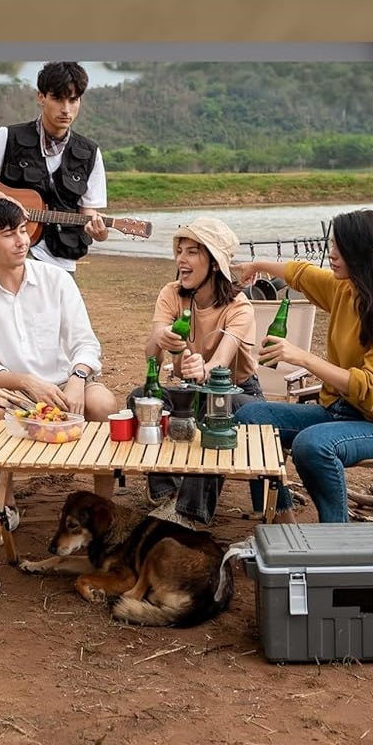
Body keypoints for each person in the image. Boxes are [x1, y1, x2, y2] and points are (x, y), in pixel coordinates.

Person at [233, 209, 373, 524]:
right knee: (251, 418)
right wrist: (257, 266)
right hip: (336, 411)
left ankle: (337, 532)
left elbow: (372, 387)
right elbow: (302, 274)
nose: (332, 254)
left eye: (340, 247)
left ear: (363, 253)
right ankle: (280, 520)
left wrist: (304, 358)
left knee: (312, 445)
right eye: (332, 244)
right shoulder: (347, 289)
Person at [0, 197, 119, 544]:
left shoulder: (56, 279)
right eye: (9, 234)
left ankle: (103, 508)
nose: (22, 241)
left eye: (23, 230)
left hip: (68, 384)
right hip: (15, 393)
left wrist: (78, 378)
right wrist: (26, 382)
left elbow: (85, 343)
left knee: (103, 402)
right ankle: (4, 507)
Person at [140, 217, 265, 527]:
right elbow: (151, 356)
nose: (181, 259)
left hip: (237, 392)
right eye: (179, 250)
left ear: (214, 263)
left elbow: (219, 365)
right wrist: (162, 339)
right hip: (190, 388)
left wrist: (202, 368)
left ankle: (189, 513)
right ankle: (168, 493)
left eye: (192, 252)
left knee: (216, 411)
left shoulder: (239, 307)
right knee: (141, 399)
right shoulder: (171, 293)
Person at [0, 61, 108, 275]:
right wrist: (0, 197)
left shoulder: (90, 153)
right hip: (9, 253)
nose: (66, 109)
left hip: (60, 261)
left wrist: (99, 233)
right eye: (57, 98)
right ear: (41, 97)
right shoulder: (8, 137)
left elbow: (87, 213)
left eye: (73, 100)